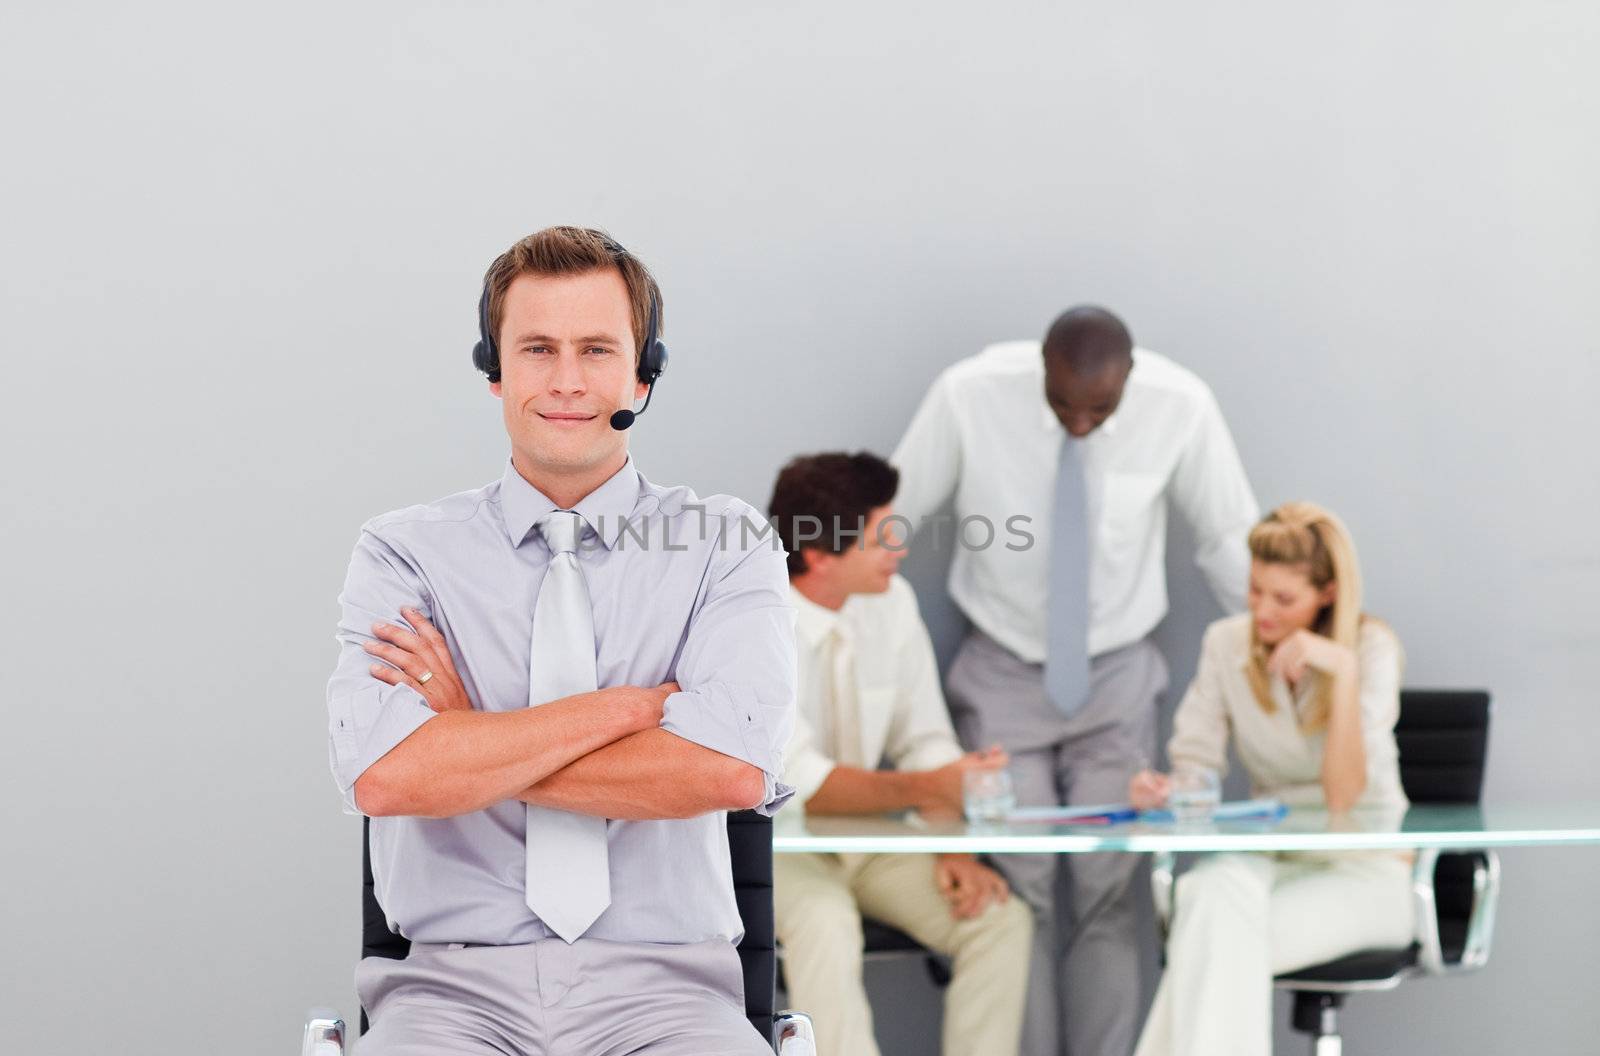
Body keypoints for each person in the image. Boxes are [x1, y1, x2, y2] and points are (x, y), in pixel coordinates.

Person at [323, 226, 796, 1056]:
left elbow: (729, 768)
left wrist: (472, 732)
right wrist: (631, 709)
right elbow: (386, 775)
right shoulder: (404, 552)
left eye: (598, 349)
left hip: (671, 995)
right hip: (448, 997)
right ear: (494, 370)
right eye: (537, 348)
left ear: (644, 374)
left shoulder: (727, 543)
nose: (568, 381)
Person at [891, 306, 1260, 1056]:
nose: (1081, 425)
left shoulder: (1180, 404)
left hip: (1118, 674)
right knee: (1017, 888)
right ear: (1042, 372)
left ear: (1129, 381)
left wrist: (1284, 646)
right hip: (1001, 671)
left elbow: (1229, 538)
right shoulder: (970, 394)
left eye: (1100, 409)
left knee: (1109, 891)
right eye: (1064, 406)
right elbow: (891, 516)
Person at [766, 451, 1032, 1056]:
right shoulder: (756, 621)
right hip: (779, 847)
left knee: (997, 917)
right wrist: (932, 789)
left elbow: (925, 741)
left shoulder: (893, 603)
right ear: (819, 555)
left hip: (872, 844)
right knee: (826, 920)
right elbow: (801, 780)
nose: (900, 546)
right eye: (881, 534)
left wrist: (946, 842)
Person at [1129, 502, 1414, 1056]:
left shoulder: (1372, 651)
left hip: (1366, 872)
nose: (1262, 611)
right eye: (1255, 590)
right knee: (1206, 890)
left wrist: (1343, 671)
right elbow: (1197, 766)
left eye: (1284, 599)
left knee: (1212, 942)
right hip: (1271, 861)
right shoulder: (1227, 645)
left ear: (1327, 593)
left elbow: (1344, 795)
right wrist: (1169, 792)